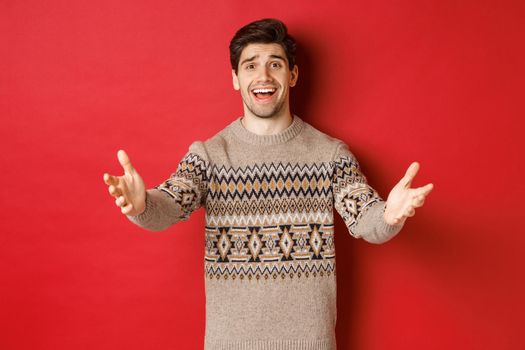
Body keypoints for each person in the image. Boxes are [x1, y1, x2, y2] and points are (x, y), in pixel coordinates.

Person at [103, 18, 433, 350]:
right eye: (250, 66)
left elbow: (365, 217)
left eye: (275, 64)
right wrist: (142, 204)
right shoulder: (209, 155)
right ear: (235, 79)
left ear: (292, 75)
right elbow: (170, 205)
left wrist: (390, 215)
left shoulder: (329, 154)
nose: (263, 76)